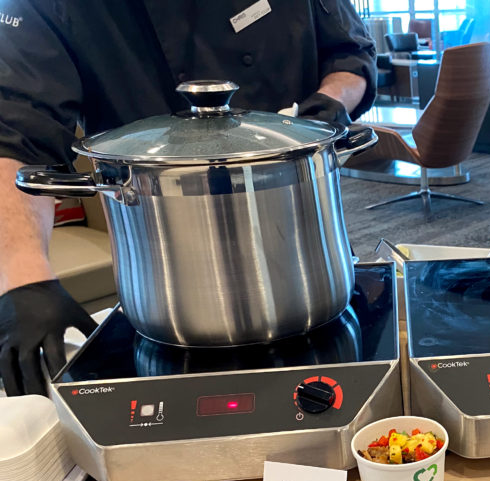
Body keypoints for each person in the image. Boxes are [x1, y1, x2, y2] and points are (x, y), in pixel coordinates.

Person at [0, 1, 377, 397]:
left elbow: (351, 54)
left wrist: (330, 105)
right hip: (167, 275)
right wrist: (25, 277)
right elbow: (16, 125)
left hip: (304, 251)